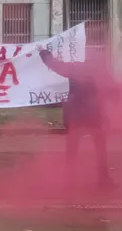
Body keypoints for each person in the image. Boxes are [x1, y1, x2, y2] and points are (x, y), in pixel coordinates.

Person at [38, 47, 116, 189]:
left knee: (75, 148)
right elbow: (113, 93)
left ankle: (72, 180)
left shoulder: (77, 69)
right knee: (97, 148)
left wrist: (44, 53)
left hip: (79, 115)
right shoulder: (99, 72)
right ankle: (100, 179)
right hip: (90, 115)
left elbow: (56, 65)